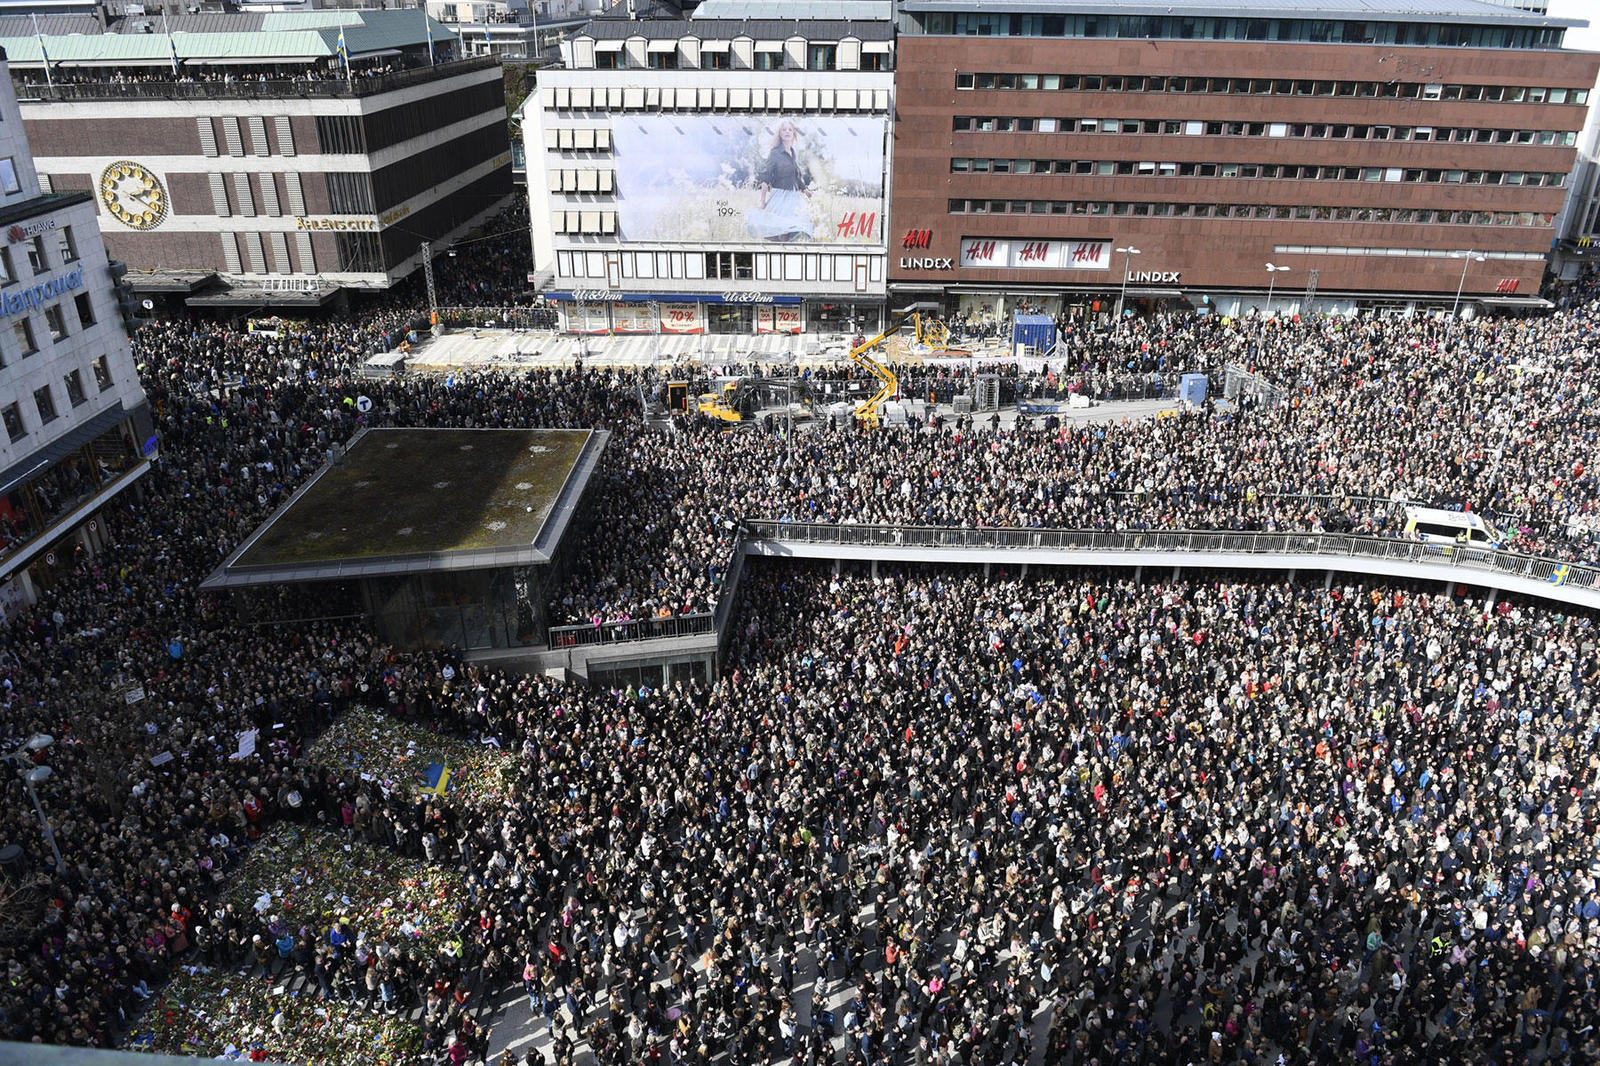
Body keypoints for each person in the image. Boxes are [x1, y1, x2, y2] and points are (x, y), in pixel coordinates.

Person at [746, 121, 814, 242]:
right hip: (780, 197)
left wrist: (805, 190)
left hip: (793, 198)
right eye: (784, 130)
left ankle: (784, 252)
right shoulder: (775, 153)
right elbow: (766, 177)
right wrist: (762, 200)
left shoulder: (793, 152)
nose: (787, 132)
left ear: (793, 133)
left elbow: (796, 176)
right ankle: (777, 252)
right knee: (780, 230)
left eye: (790, 130)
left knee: (791, 231)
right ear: (780, 134)